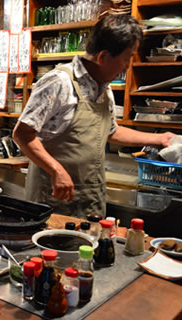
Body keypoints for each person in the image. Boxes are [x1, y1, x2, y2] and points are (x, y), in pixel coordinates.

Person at [12, 15, 175, 218]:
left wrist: (160, 139)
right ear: (103, 57)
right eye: (127, 57)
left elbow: (111, 131)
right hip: (53, 202)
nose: (127, 65)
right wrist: (56, 170)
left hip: (90, 200)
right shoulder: (59, 82)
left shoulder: (103, 87)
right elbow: (22, 134)